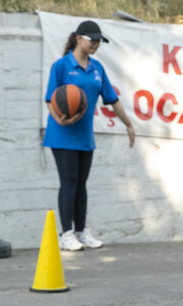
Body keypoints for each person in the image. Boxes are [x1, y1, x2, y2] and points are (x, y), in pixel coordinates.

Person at [44, 20, 135, 251]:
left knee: (82, 183)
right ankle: (66, 234)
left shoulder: (97, 69)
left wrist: (128, 124)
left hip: (84, 135)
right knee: (69, 181)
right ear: (78, 39)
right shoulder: (62, 66)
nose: (95, 44)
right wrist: (60, 119)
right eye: (91, 39)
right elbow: (49, 100)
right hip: (62, 133)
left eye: (98, 41)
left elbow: (112, 99)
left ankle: (82, 231)